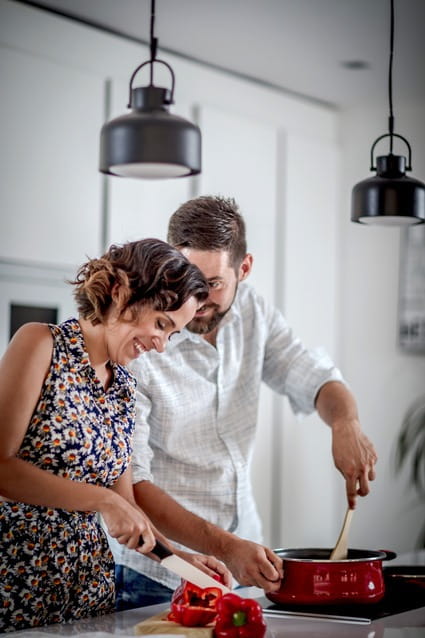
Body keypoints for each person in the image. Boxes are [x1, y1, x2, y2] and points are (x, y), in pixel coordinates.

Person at [111, 195, 378, 610]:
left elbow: (312, 376)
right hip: (159, 573)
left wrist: (346, 423)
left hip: (241, 564)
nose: (195, 300)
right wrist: (227, 547)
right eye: (185, 278)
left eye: (213, 283)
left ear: (244, 269)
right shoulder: (143, 343)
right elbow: (133, 486)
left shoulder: (254, 313)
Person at [0, 238, 230, 632]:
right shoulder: (41, 344)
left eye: (172, 334)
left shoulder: (125, 388)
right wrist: (101, 499)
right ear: (121, 294)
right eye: (160, 323)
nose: (160, 346)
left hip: (89, 592)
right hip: (18, 583)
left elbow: (127, 508)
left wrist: (179, 560)